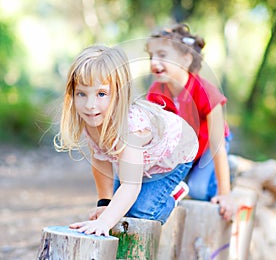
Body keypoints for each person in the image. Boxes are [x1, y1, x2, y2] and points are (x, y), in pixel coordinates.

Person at [54, 44, 198, 236]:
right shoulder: (93, 117)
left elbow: (130, 185)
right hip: (141, 158)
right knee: (117, 208)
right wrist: (104, 203)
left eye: (101, 94)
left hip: (176, 152)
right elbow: (100, 159)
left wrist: (104, 223)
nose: (90, 105)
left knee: (140, 213)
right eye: (81, 93)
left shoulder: (132, 130)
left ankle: (173, 193)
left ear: (119, 94)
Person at [146, 23, 235, 221]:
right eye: (151, 56)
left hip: (211, 146)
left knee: (199, 189)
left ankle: (229, 171)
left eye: (162, 55)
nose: (154, 62)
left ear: (186, 59)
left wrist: (225, 193)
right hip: (185, 151)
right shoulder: (156, 92)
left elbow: (217, 144)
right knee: (167, 187)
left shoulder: (206, 92)